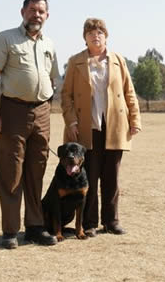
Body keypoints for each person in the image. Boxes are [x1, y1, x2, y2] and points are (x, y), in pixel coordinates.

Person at [0, 0, 60, 249]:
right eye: (32, 10)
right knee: (11, 171)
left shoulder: (49, 43)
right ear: (22, 12)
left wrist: (48, 108)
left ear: (47, 16)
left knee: (36, 170)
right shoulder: (6, 38)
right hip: (12, 111)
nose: (36, 15)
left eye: (41, 11)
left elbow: (53, 79)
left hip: (42, 112)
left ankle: (35, 227)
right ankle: (10, 231)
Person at [60, 18, 141, 237]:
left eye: (100, 33)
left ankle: (111, 220)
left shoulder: (118, 61)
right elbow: (66, 95)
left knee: (112, 176)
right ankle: (89, 223)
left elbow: (129, 92)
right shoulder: (75, 62)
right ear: (84, 38)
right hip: (87, 126)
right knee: (90, 176)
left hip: (114, 125)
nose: (96, 36)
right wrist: (71, 121)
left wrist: (135, 120)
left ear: (106, 36)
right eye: (90, 33)